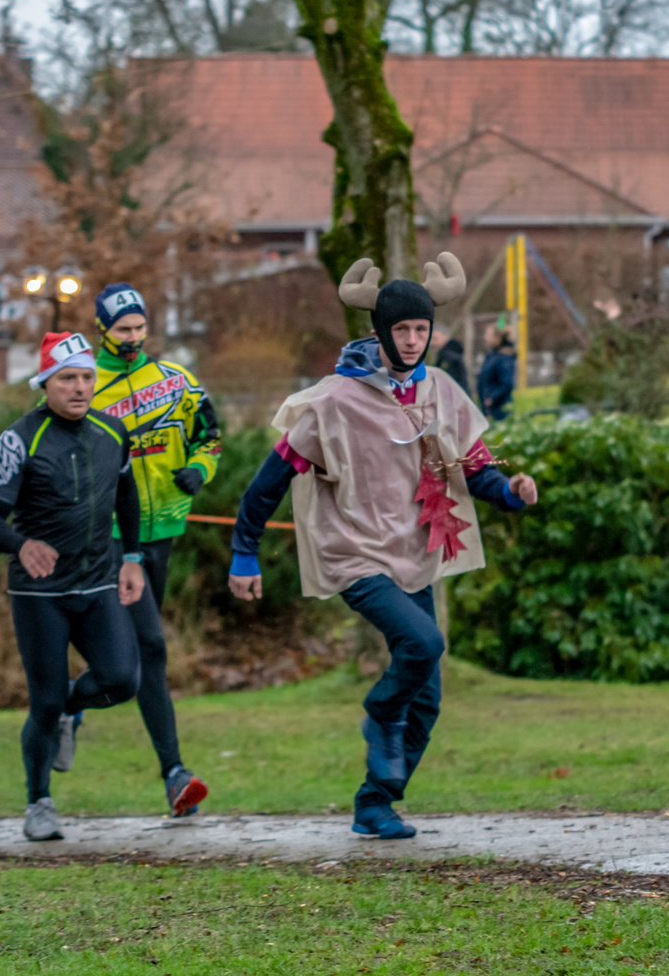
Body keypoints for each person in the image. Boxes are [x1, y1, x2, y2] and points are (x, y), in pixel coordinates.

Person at [228, 253, 539, 841]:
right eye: (403, 330)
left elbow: (472, 470)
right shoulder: (335, 401)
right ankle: (380, 713)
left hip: (412, 556)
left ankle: (374, 805)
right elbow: (271, 478)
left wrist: (512, 493)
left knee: (427, 701)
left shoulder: (441, 391)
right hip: (354, 555)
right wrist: (245, 551)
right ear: (380, 333)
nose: (415, 340)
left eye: (422, 329)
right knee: (423, 642)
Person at [0, 332, 145, 841]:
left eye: (86, 377)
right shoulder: (18, 438)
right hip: (39, 591)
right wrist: (20, 543)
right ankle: (39, 801)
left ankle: (75, 708)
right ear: (45, 384)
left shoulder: (113, 432)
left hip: (96, 581)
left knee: (122, 678)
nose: (79, 388)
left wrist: (132, 557)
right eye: (67, 378)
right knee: (43, 702)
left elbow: (127, 496)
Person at [87, 283, 218, 817]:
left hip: (164, 531)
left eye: (140, 328)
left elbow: (210, 435)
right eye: (123, 330)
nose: (134, 338)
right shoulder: (83, 385)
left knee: (136, 659)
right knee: (152, 647)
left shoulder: (176, 381)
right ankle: (175, 775)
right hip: (113, 540)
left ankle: (66, 705)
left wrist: (199, 470)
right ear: (101, 329)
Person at [475, 320, 516, 420]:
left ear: (498, 337)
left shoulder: (504, 358)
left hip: (499, 408)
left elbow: (506, 383)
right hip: (487, 407)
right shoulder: (491, 356)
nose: (485, 337)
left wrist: (492, 397)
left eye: (488, 335)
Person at [429, 323, 470, 395]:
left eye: (435, 339)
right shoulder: (443, 356)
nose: (432, 343)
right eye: (431, 339)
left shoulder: (450, 357)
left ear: (445, 337)